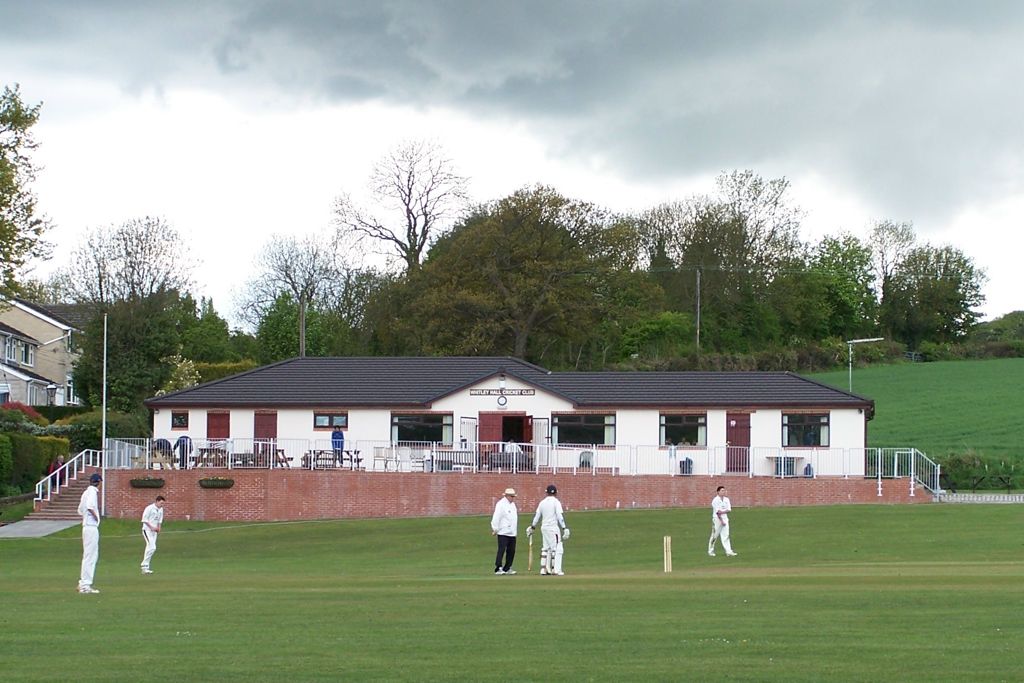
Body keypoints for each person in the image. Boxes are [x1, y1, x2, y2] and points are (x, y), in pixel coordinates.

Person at [527, 484, 570, 576]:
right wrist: (564, 528)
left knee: (545, 548)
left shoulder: (542, 503)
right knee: (557, 548)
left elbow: (537, 516)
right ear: (556, 493)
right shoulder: (556, 502)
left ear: (546, 493)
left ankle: (544, 569)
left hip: (544, 528)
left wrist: (533, 527)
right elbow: (559, 515)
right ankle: (555, 569)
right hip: (553, 528)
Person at [77, 473, 102, 593]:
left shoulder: (85, 492)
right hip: (91, 527)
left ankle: (83, 583)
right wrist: (96, 517)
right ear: (99, 483)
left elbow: (80, 510)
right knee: (91, 556)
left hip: (86, 526)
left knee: (89, 555)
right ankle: (85, 585)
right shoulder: (92, 492)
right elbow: (89, 506)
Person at [490, 487, 519, 575]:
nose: (512, 498)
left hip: (512, 532)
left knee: (511, 550)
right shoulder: (501, 504)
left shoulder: (513, 505)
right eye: (511, 496)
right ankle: (498, 567)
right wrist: (495, 528)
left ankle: (507, 567)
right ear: (506, 496)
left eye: (513, 496)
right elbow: (496, 517)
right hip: (503, 531)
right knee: (501, 549)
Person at [707, 485, 738, 557]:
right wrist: (722, 520)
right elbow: (718, 512)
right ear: (718, 492)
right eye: (722, 491)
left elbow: (729, 510)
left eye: (724, 490)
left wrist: (723, 512)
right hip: (717, 519)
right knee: (714, 535)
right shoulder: (715, 500)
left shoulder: (726, 499)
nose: (724, 492)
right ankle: (710, 551)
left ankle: (728, 551)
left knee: (726, 535)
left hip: (725, 518)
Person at [140, 495, 166, 574]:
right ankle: (144, 564)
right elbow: (144, 520)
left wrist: (158, 527)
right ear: (157, 501)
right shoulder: (149, 508)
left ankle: (145, 568)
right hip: (147, 530)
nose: (162, 505)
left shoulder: (161, 509)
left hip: (154, 531)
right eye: (161, 503)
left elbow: (160, 520)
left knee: (149, 548)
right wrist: (151, 527)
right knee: (152, 547)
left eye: (163, 504)